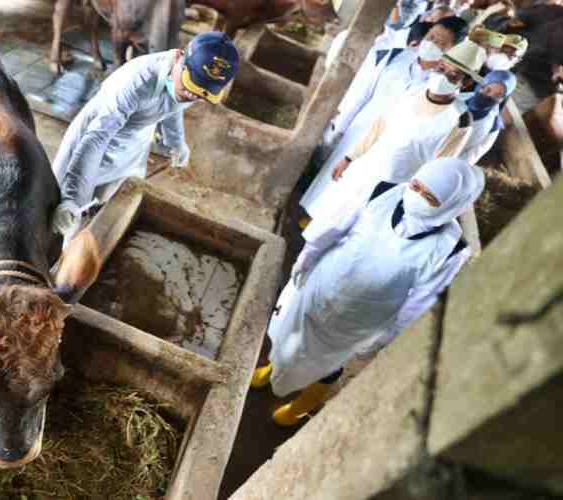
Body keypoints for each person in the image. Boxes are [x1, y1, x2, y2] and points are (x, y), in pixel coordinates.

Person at [253, 158, 485, 426]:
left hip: (361, 318)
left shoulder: (451, 249)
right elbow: (334, 227)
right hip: (323, 285)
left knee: (326, 363)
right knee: (288, 332)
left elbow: (420, 302)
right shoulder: (383, 192)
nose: (417, 197)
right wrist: (307, 257)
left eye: (431, 198)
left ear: (451, 206)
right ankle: (273, 370)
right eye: (416, 186)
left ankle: (299, 407)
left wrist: (384, 338)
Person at [51, 31, 239, 243]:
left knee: (105, 211)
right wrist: (72, 199)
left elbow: (174, 105)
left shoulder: (191, 83)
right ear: (179, 57)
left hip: (133, 148)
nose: (192, 96)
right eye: (190, 87)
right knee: (65, 215)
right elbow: (96, 139)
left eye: (201, 93)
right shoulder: (136, 82)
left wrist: (176, 143)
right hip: (95, 141)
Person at [302, 17, 469, 223]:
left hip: (388, 143)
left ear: (453, 51)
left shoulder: (437, 86)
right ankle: (308, 218)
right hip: (359, 131)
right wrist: (341, 125)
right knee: (330, 180)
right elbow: (363, 94)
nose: (432, 43)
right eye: (431, 36)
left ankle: (326, 227)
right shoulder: (395, 56)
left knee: (356, 195)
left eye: (441, 43)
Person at [461, 70, 517, 163]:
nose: (489, 96)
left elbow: (472, 156)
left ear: (502, 99)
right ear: (481, 85)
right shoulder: (456, 98)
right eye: (488, 90)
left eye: (498, 95)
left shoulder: (493, 126)